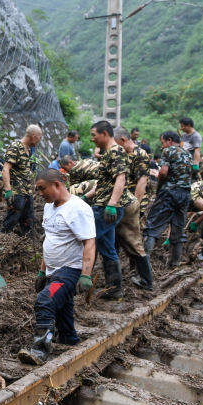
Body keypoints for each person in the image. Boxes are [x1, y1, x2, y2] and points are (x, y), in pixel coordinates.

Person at [18, 168, 95, 366]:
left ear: (57, 185)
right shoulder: (49, 207)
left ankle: (40, 350)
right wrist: (42, 271)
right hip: (53, 271)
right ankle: (70, 343)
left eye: (42, 188)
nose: (40, 193)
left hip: (70, 270)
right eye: (38, 189)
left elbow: (89, 242)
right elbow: (49, 240)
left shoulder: (78, 208)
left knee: (45, 301)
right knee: (63, 314)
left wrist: (86, 275)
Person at [84, 121, 134, 300]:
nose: (92, 139)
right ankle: (114, 288)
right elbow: (103, 182)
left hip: (108, 208)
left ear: (104, 133)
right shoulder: (107, 154)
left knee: (87, 240)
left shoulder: (117, 152)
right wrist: (87, 197)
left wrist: (112, 204)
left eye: (94, 135)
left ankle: (82, 281)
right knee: (107, 248)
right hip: (103, 205)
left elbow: (121, 178)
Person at [143, 131, 193, 268]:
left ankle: (143, 269)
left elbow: (163, 172)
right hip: (185, 194)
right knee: (178, 230)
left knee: (152, 227)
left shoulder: (168, 151)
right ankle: (175, 263)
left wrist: (159, 185)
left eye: (163, 143)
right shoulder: (188, 154)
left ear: (169, 140)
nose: (162, 146)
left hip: (169, 193)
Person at [113, 127, 154, 291]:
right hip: (123, 202)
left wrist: (135, 205)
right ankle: (120, 276)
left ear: (123, 140)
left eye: (116, 143)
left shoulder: (140, 154)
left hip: (135, 204)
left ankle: (145, 279)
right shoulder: (123, 154)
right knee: (119, 237)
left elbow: (142, 181)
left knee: (133, 239)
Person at [1, 125, 42, 234]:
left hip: (27, 192)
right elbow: (5, 169)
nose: (39, 141)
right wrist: (8, 191)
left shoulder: (29, 149)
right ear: (33, 136)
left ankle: (28, 245)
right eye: (39, 138)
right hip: (16, 192)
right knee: (12, 219)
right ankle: (2, 240)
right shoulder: (15, 147)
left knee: (29, 220)